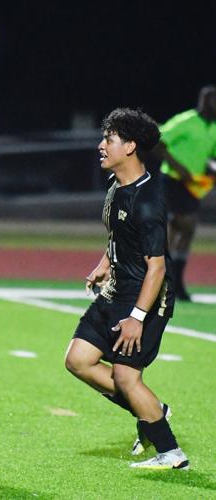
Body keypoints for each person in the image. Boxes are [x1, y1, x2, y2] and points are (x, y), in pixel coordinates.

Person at [64, 108, 188, 470]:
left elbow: (158, 267)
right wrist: (105, 264)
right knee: (78, 359)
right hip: (117, 290)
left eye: (110, 140)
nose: (101, 146)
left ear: (131, 147)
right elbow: (118, 235)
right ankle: (152, 410)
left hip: (144, 297)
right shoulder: (117, 184)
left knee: (126, 376)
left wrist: (136, 318)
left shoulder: (149, 200)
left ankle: (171, 452)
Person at [154, 85, 216, 301]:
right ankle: (162, 280)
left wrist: (211, 169)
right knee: (178, 226)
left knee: (186, 231)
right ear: (202, 101)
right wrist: (179, 167)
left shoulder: (214, 128)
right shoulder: (186, 121)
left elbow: (211, 157)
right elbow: (158, 142)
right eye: (208, 99)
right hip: (172, 180)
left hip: (192, 186)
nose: (211, 104)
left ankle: (175, 282)